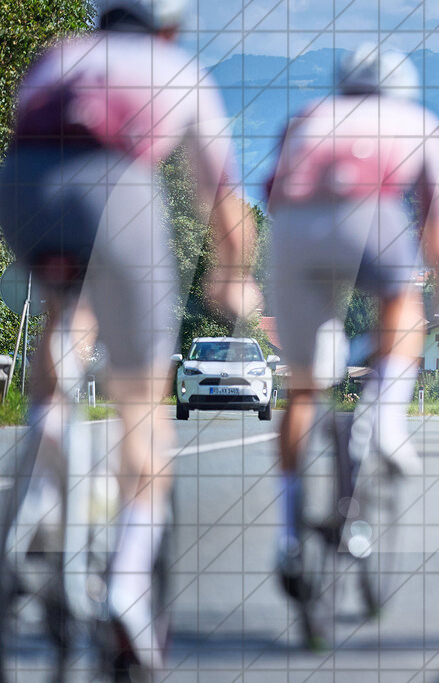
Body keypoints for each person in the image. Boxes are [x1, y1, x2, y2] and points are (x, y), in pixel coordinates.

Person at [0, 0, 257, 672]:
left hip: (24, 190)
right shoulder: (178, 69)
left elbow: (22, 128)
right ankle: (128, 589)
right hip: (115, 192)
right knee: (141, 401)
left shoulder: (59, 52)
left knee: (65, 318)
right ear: (170, 24)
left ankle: (46, 444)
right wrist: (231, 275)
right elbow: (224, 202)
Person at [265, 45, 439, 628]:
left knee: (305, 390)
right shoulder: (418, 125)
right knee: (403, 307)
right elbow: (437, 224)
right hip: (371, 221)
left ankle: (287, 537)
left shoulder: (306, 116)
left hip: (295, 232)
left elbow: (271, 189)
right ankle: (386, 419)